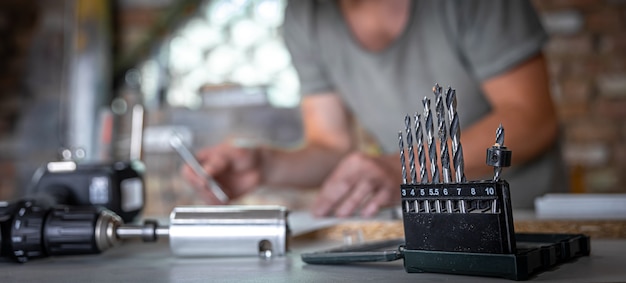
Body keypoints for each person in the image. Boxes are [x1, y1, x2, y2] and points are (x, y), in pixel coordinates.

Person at [182, 0, 564, 218]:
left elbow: (532, 118)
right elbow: (331, 146)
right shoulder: (305, 14)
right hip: (419, 225)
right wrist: (265, 166)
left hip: (524, 222)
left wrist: (402, 168)